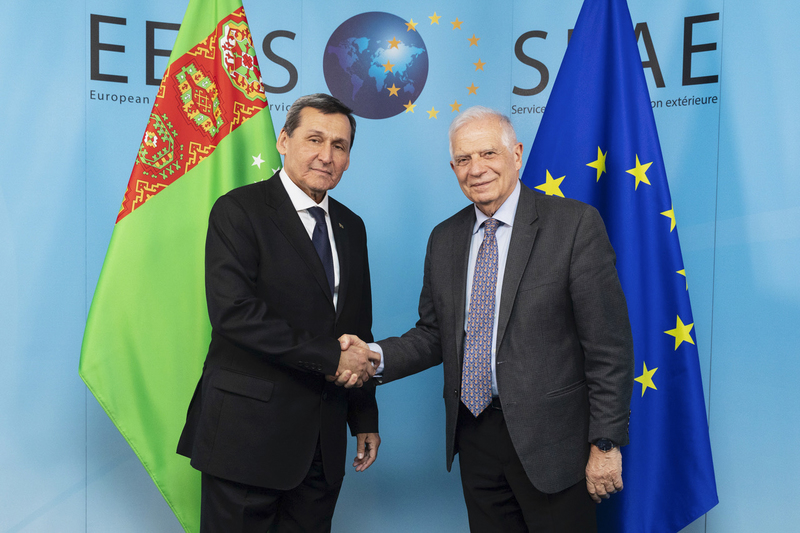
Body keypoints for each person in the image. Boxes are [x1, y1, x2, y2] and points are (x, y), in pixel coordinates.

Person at [340, 106, 633, 531]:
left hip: (554, 444)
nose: (476, 169)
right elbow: (433, 334)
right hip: (475, 435)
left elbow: (608, 346)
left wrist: (605, 443)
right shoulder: (445, 238)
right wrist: (371, 356)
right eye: (463, 159)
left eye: (488, 154)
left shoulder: (572, 226)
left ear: (516, 154)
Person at [178, 93, 380, 533]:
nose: (326, 156)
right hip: (246, 439)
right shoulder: (238, 210)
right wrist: (332, 359)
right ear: (283, 141)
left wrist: (363, 416)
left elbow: (355, 329)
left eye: (340, 146)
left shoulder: (351, 226)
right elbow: (235, 314)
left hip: (321, 445)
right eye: (314, 140)